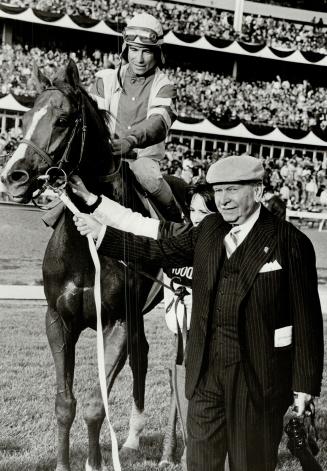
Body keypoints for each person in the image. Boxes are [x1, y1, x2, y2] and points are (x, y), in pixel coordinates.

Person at [74, 155, 324, 471]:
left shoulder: (291, 242)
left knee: (250, 463)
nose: (224, 200)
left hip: (258, 381)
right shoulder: (207, 230)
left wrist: (303, 388)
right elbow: (157, 250)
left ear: (258, 192)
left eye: (233, 190)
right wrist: (103, 234)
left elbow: (307, 320)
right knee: (200, 463)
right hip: (205, 377)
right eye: (219, 191)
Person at [90, 12, 181, 220]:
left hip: (142, 160)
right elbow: (95, 119)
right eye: (134, 50)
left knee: (147, 174)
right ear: (126, 49)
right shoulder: (105, 78)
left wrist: (130, 141)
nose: (139, 59)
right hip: (106, 158)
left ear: (157, 53)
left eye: (146, 52)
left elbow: (158, 122)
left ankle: (177, 223)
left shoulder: (165, 86)